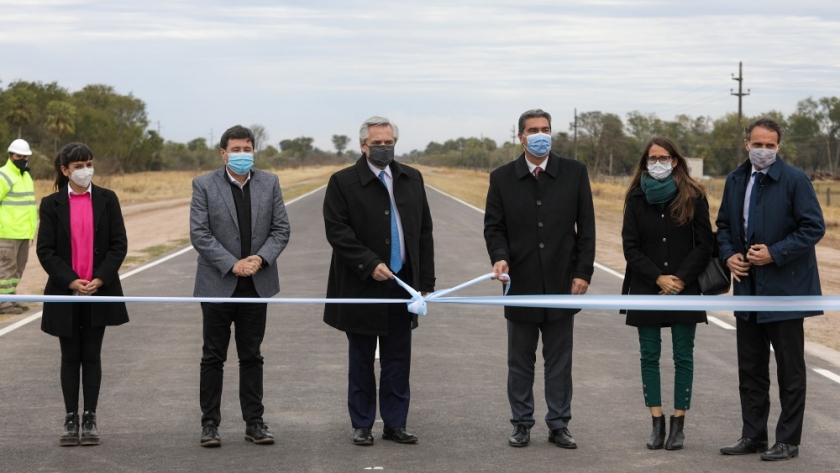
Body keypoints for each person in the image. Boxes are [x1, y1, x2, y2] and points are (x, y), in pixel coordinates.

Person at [484, 109, 595, 449]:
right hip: (520, 284)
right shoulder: (502, 177)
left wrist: (583, 272)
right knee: (520, 361)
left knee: (559, 361)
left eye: (545, 129)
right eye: (533, 130)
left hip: (563, 283)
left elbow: (587, 228)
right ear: (520, 136)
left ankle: (559, 424)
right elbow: (494, 226)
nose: (540, 134)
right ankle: (521, 423)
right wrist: (499, 257)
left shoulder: (574, 173)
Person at [716, 117, 825, 461]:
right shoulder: (735, 180)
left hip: (785, 291)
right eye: (757, 144)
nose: (763, 150)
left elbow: (813, 227)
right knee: (750, 369)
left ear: (778, 146)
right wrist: (729, 255)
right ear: (746, 143)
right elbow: (722, 226)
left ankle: (788, 441)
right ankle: (753, 436)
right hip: (748, 290)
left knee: (789, 370)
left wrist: (774, 254)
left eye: (770, 145)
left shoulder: (795, 180)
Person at [323, 116, 434, 446]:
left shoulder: (412, 178)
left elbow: (423, 231)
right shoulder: (342, 182)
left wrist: (424, 280)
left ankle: (395, 423)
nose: (384, 148)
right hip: (361, 283)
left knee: (398, 358)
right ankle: (362, 423)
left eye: (389, 143)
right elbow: (337, 231)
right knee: (361, 359)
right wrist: (368, 263)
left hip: (403, 284)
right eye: (377, 143)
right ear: (363, 145)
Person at [190, 125, 291, 448]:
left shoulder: (269, 182)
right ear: (223, 153)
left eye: (247, 149)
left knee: (251, 356)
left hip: (256, 284)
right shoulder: (204, 185)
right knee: (212, 357)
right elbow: (200, 233)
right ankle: (210, 424)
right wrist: (232, 264)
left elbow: (281, 229)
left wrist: (259, 260)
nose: (242, 155)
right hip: (218, 282)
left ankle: (255, 423)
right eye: (236, 149)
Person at [621, 137, 713, 451]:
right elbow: (630, 246)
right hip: (646, 287)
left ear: (675, 160)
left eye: (664, 157)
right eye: (652, 158)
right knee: (649, 356)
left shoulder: (695, 195)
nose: (657, 162)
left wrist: (679, 280)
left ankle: (678, 424)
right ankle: (656, 423)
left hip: (684, 289)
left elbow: (704, 245)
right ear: (645, 162)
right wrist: (657, 277)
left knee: (683, 357)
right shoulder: (634, 197)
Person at [37, 142, 128, 446]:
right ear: (65, 170)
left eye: (88, 163)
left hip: (99, 290)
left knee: (91, 355)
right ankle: (69, 417)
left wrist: (100, 279)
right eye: (78, 166)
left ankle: (90, 417)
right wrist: (72, 281)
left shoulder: (107, 199)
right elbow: (46, 250)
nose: (85, 170)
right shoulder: (51, 204)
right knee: (69, 356)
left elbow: (118, 245)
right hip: (67, 292)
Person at [0, 138, 38, 315]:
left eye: (25, 156)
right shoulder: (4, 175)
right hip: (6, 233)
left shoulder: (25, 175)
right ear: (10, 155)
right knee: (6, 269)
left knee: (17, 269)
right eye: (18, 156)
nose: (22, 159)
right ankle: (3, 303)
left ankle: (11, 299)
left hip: (24, 232)